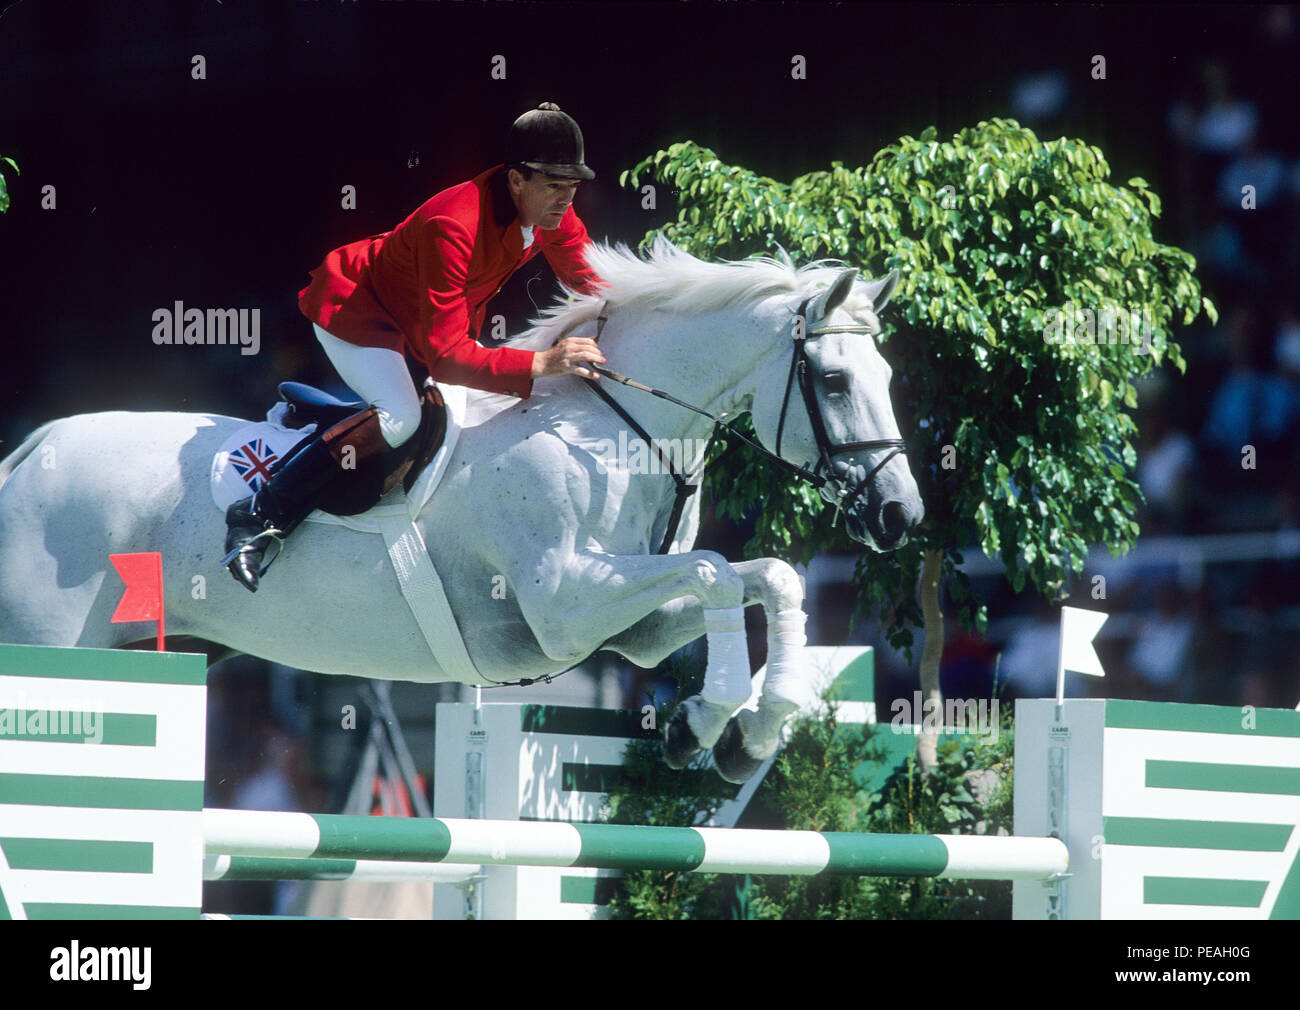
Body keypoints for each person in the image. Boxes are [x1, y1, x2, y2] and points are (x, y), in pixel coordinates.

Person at [223, 103, 607, 591]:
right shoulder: (453, 221)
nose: (566, 199)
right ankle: (257, 514)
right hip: (360, 313)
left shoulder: (554, 211)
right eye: (555, 185)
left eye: (573, 186)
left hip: (417, 324)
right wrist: (544, 361)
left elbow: (594, 282)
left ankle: (324, 418)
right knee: (401, 417)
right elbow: (448, 357)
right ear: (516, 180)